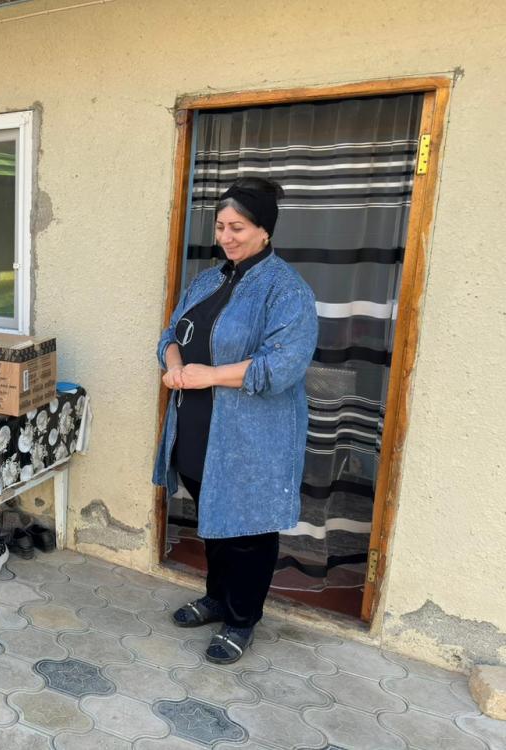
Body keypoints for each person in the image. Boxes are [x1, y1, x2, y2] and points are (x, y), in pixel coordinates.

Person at [153, 177, 318, 664]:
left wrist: (208, 375)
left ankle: (242, 618)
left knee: (249, 532)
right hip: (198, 428)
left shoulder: (287, 290)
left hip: (250, 437)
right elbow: (171, 333)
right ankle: (217, 597)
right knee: (216, 518)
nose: (226, 236)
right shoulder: (208, 280)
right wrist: (174, 365)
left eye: (238, 228)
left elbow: (282, 367)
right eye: (221, 226)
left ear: (264, 230)